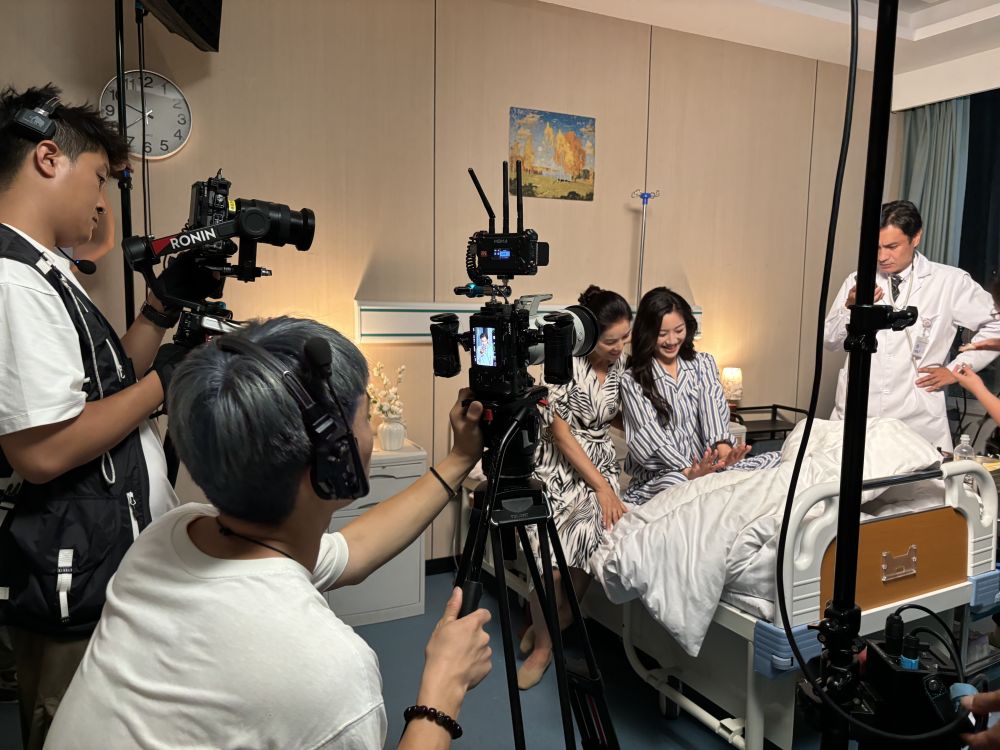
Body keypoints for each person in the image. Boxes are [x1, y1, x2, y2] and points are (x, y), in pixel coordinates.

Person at [45, 317, 493, 749]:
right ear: (334, 457)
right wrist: (442, 691)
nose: (369, 431)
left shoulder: (173, 532)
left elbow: (352, 551)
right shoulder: (331, 674)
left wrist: (458, 460)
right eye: (365, 416)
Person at [0, 84, 216, 749]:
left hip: (103, 558)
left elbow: (102, 388)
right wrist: (164, 384)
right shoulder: (12, 281)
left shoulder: (45, 272)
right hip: (71, 578)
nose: (102, 202)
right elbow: (42, 450)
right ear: (47, 158)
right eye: (99, 177)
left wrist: (159, 311)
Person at [517, 285, 633, 690]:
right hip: (559, 464)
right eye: (611, 340)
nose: (619, 347)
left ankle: (553, 625)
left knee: (592, 537)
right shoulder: (563, 359)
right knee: (549, 567)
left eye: (625, 338)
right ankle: (545, 644)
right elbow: (561, 433)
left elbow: (613, 415)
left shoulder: (620, 367)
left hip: (600, 462)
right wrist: (602, 487)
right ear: (590, 334)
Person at [824, 200, 1000, 452]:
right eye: (876, 247)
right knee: (848, 474)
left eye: (892, 247)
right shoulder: (858, 280)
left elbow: (997, 324)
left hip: (917, 417)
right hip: (859, 410)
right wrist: (850, 307)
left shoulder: (949, 282)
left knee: (916, 475)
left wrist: (957, 370)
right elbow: (830, 340)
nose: (882, 257)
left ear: (915, 237)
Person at [619, 287, 779, 505]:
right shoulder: (632, 380)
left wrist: (724, 452)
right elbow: (649, 437)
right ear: (647, 333)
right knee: (682, 484)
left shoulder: (703, 364)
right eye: (662, 334)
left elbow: (712, 410)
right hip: (666, 474)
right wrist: (688, 470)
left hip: (710, 466)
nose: (672, 340)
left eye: (679, 330)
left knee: (776, 460)